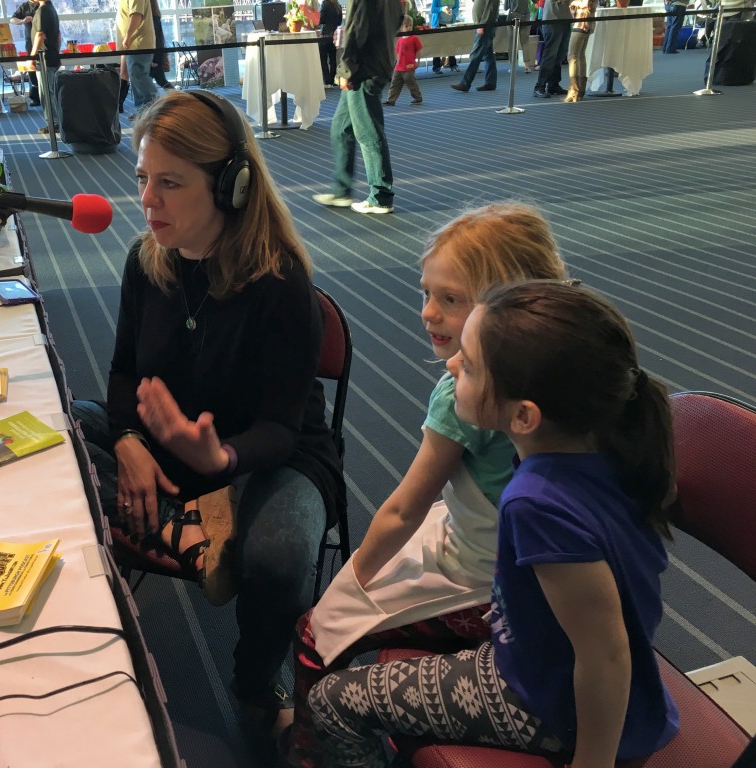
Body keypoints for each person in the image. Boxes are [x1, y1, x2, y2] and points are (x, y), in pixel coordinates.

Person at [68, 89, 344, 756]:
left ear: (231, 184)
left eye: (169, 183)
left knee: (279, 556)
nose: (147, 200)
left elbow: (281, 427)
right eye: (142, 180)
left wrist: (217, 459)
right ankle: (192, 523)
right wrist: (132, 442)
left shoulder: (282, 286)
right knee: (63, 429)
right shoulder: (146, 260)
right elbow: (122, 379)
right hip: (166, 449)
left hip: (268, 457)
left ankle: (255, 684)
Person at [309, 279, 680, 768]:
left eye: (469, 364)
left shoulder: (537, 502)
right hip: (548, 657)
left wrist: (593, 761)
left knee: (330, 702)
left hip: (542, 699)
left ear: (524, 417)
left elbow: (605, 654)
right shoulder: (610, 448)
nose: (450, 366)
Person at [285, 203, 566, 768]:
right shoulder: (570, 370)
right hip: (531, 568)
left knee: (316, 637)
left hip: (483, 583)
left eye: (451, 299)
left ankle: (312, 752)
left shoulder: (463, 397)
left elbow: (402, 510)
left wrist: (351, 584)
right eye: (427, 293)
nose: (428, 313)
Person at [311, 0, 399, 215]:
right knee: (341, 129)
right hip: (376, 63)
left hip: (363, 70)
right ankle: (342, 191)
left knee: (368, 132)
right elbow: (396, 21)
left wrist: (345, 70)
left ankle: (381, 197)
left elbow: (356, 29)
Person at [116, 0, 157, 112]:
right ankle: (144, 112)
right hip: (133, 46)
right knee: (136, 78)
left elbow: (136, 15)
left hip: (138, 44)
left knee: (139, 76)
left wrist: (128, 36)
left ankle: (155, 110)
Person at [451, 0, 499, 92]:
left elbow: (491, 8)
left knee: (476, 54)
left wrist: (482, 24)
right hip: (483, 24)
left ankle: (465, 83)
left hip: (485, 25)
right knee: (488, 54)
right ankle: (490, 82)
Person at [29, 0, 59, 133]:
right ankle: (54, 122)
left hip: (44, 57)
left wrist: (32, 56)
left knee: (46, 92)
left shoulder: (43, 11)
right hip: (51, 55)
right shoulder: (50, 9)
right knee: (49, 90)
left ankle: (54, 123)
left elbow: (40, 34)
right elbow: (58, 35)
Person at [534, 0, 571, 97]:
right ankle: (539, 86)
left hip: (565, 18)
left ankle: (553, 84)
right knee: (550, 54)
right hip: (552, 18)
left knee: (560, 54)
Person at [384, 16, 423, 105]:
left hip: (409, 65)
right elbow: (398, 53)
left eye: (410, 25)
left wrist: (417, 61)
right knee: (395, 83)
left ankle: (417, 97)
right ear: (401, 28)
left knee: (410, 81)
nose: (409, 27)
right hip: (399, 66)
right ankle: (391, 100)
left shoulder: (414, 38)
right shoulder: (399, 40)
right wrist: (396, 63)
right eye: (406, 26)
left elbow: (418, 50)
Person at [9, 0, 40, 104]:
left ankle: (48, 95)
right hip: (30, 42)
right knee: (32, 69)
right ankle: (35, 97)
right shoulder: (24, 6)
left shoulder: (43, 5)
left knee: (45, 68)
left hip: (44, 41)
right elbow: (12, 19)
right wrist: (23, 20)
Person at [565, 0, 596, 101]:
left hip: (581, 23)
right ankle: (580, 89)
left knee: (572, 55)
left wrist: (573, 3)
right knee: (580, 55)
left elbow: (585, 3)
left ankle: (573, 89)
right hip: (587, 23)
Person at [149, 0, 174, 89]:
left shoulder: (152, 19)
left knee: (161, 81)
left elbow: (154, 39)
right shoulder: (156, 17)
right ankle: (178, 97)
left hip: (154, 56)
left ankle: (178, 97)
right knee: (161, 80)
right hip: (157, 54)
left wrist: (153, 60)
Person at [429, 0, 459, 72]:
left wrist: (452, 11)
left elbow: (457, 7)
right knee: (437, 46)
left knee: (452, 44)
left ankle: (453, 65)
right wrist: (441, 9)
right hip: (438, 24)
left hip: (451, 24)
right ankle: (436, 67)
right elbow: (433, 9)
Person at [318, 0, 343, 86]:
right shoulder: (338, 5)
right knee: (333, 59)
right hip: (334, 34)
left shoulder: (325, 3)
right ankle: (332, 79)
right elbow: (339, 22)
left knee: (323, 59)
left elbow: (321, 19)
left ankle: (327, 79)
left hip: (325, 34)